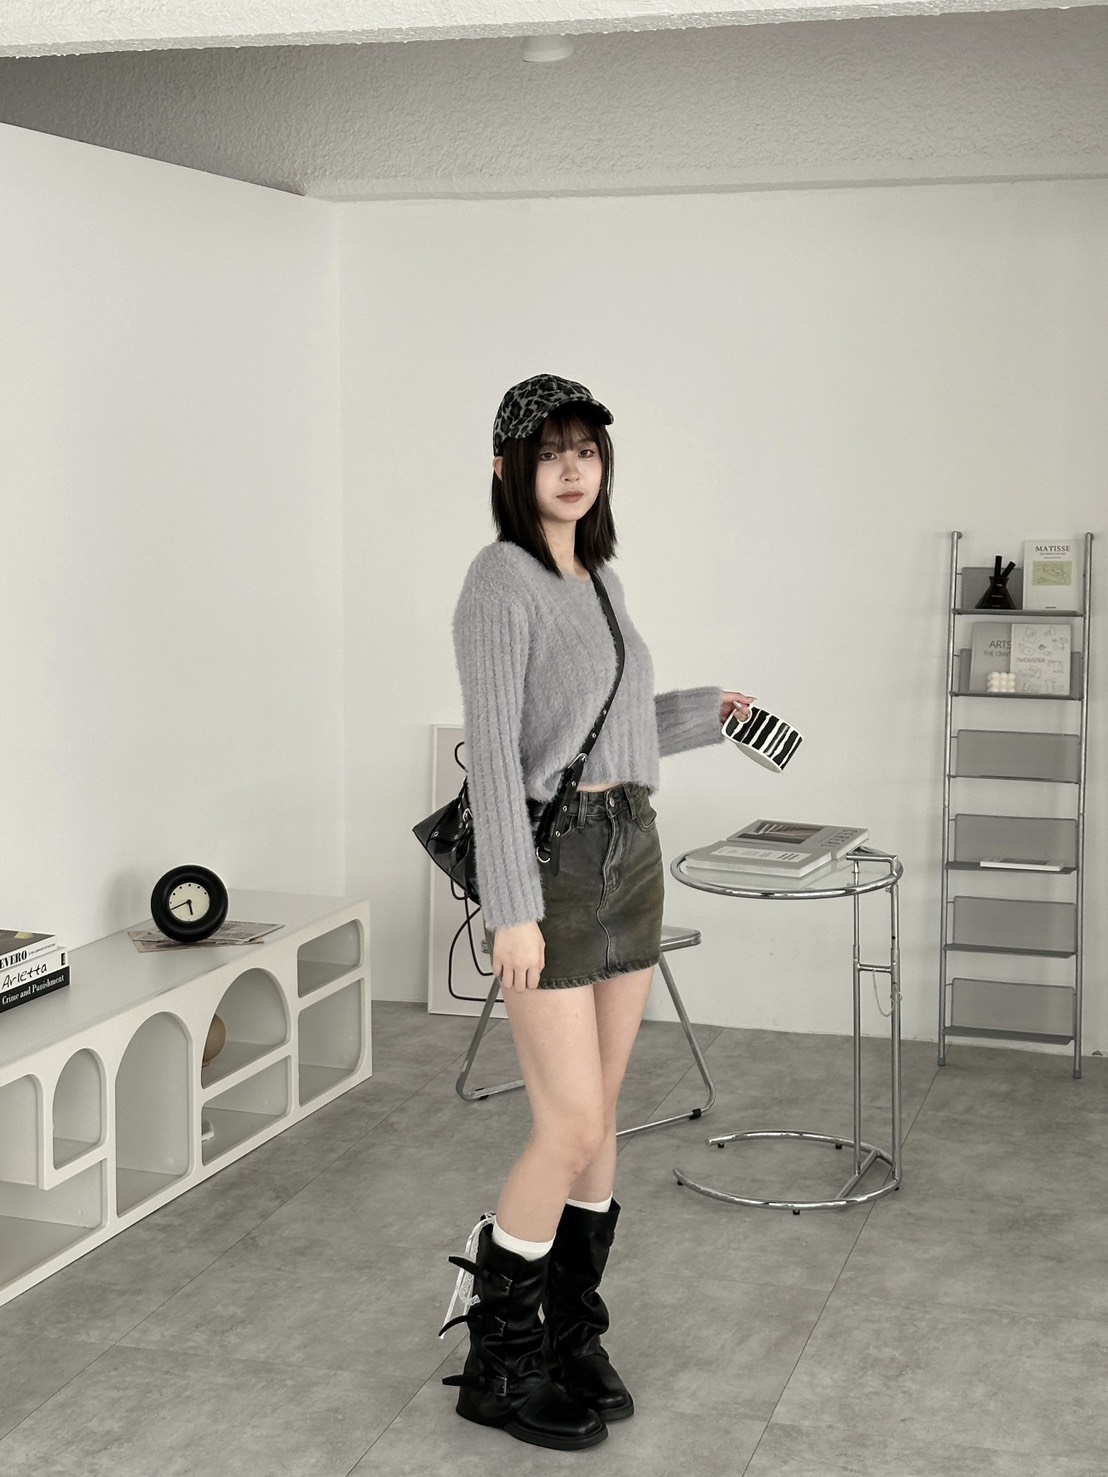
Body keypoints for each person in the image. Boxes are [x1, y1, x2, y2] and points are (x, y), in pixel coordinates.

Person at [440, 373, 753, 1452]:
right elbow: (496, 756)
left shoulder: (599, 576)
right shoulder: (499, 581)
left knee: (604, 1113)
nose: (572, 468)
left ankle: (571, 1332)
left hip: (631, 847)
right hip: (556, 863)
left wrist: (708, 712)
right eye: (549, 452)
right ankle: (498, 1363)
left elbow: (608, 726)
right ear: (507, 468)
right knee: (567, 1123)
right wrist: (510, 910)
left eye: (586, 450)